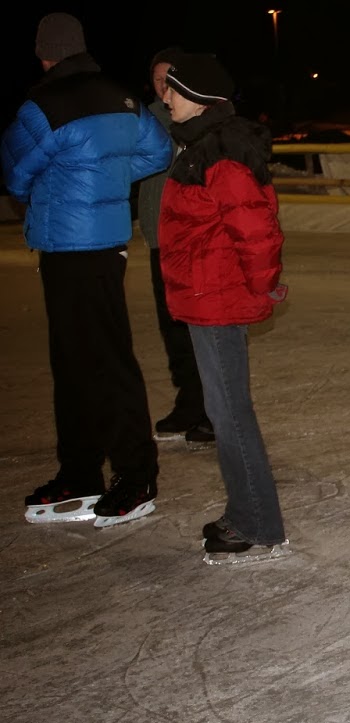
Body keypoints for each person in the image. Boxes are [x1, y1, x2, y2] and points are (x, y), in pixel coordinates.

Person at [3, 13, 171, 527]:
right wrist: (106, 177)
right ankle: (80, 472)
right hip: (104, 246)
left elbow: (13, 173)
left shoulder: (43, 106)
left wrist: (67, 187)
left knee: (97, 362)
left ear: (44, 53)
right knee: (79, 363)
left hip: (68, 246)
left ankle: (135, 474)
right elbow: (158, 152)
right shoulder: (121, 97)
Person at [157, 52, 291, 565]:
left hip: (218, 299)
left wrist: (263, 288)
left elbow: (256, 231)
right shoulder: (199, 145)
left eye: (172, 88)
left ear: (196, 96)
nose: (165, 97)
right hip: (204, 295)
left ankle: (257, 522)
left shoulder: (221, 151)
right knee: (224, 410)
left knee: (230, 414)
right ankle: (248, 510)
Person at [135, 47, 214, 448]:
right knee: (172, 328)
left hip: (188, 238)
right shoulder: (145, 117)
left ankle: (211, 409)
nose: (163, 86)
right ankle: (189, 402)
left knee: (197, 325)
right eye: (156, 79)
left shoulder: (196, 118)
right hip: (157, 237)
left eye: (170, 78)